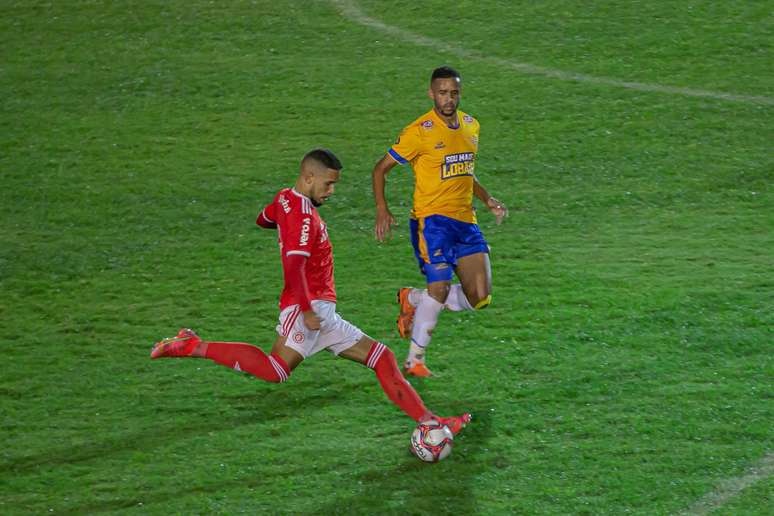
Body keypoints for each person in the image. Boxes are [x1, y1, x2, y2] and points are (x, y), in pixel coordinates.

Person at [151, 148, 470, 434]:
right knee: (275, 369)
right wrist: (305, 309)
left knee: (382, 358)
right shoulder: (305, 217)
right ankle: (192, 345)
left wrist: (280, 223)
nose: (331, 191)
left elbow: (264, 218)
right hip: (310, 309)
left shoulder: (284, 198)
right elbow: (294, 266)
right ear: (308, 178)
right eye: (328, 184)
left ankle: (431, 423)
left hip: (323, 312)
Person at [372, 66, 508, 378]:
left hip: (465, 222)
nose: (448, 99)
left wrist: (487, 199)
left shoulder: (471, 126)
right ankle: (414, 361)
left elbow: (464, 169)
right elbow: (380, 169)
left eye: (454, 93)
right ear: (431, 93)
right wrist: (383, 208)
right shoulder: (419, 132)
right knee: (441, 285)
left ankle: (414, 298)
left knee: (481, 297)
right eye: (442, 93)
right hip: (431, 222)